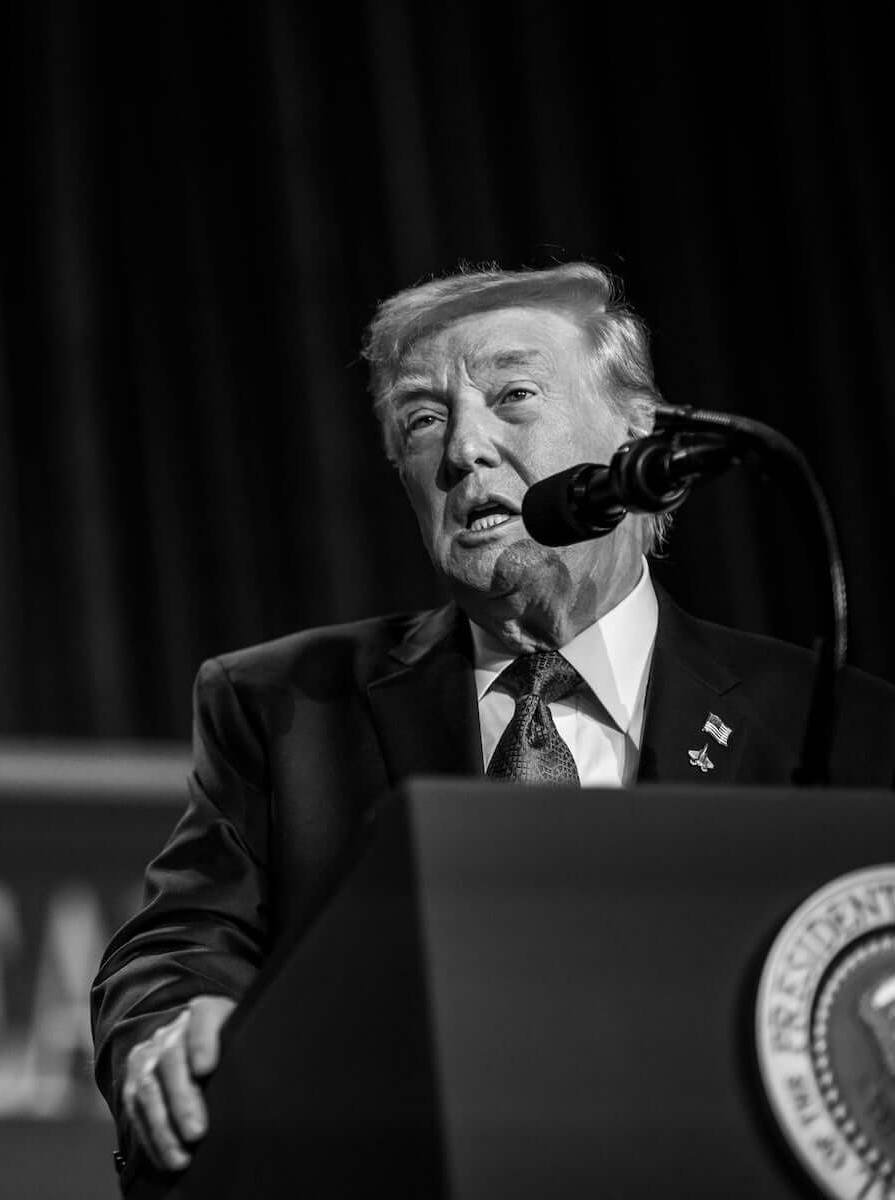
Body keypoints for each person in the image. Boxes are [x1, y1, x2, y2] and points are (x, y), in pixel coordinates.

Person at [90, 261, 895, 1191]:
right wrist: (165, 1032)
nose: (464, 449)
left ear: (639, 436)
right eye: (423, 420)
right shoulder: (286, 707)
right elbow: (178, 944)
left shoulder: (842, 727)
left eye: (514, 395)